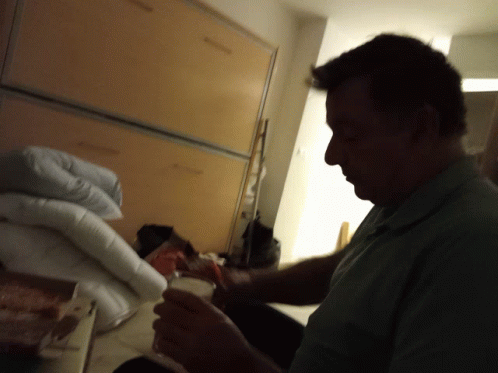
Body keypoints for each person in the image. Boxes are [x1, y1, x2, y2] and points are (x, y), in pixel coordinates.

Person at [117, 33, 498, 372]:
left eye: (349, 135)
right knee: (237, 311)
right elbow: (338, 269)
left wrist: (236, 364)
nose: (332, 156)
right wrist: (240, 283)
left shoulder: (475, 245)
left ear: (421, 127)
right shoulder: (403, 197)